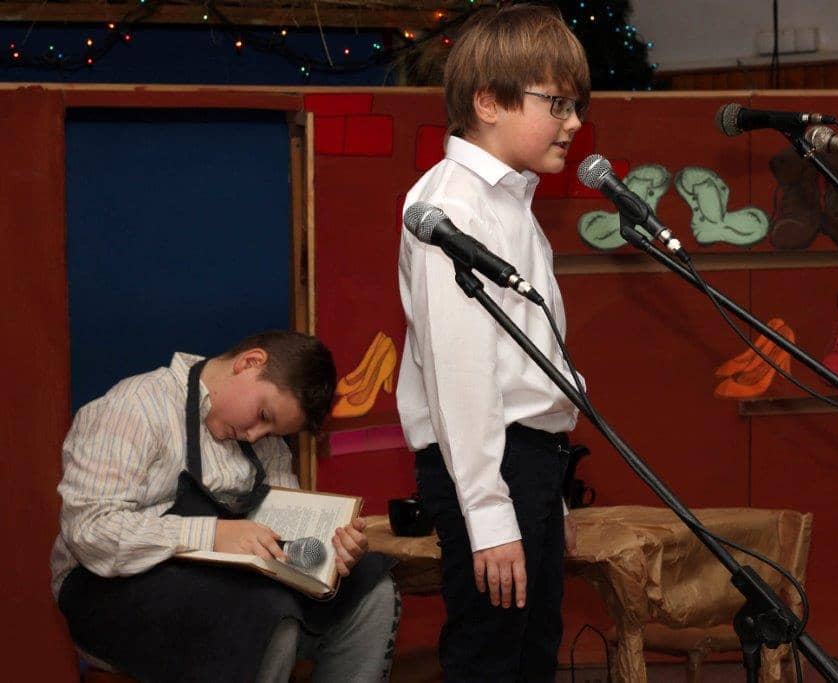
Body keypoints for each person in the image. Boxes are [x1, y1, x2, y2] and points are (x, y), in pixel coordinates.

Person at [397, 4, 590, 680]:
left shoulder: (509, 201)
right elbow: (461, 376)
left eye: (577, 105)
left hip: (525, 463)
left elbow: (524, 361)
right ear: (488, 102)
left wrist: (548, 493)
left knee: (532, 652)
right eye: (557, 103)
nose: (574, 122)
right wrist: (490, 514)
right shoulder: (454, 207)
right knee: (491, 658)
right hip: (488, 464)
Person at [51, 330, 400, 682]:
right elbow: (89, 531)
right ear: (249, 362)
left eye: (271, 431)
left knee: (372, 591)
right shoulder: (134, 408)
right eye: (263, 414)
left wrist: (329, 553)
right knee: (266, 617)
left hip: (224, 585)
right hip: (106, 587)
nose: (255, 435)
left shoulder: (265, 443)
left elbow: (285, 536)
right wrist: (212, 533)